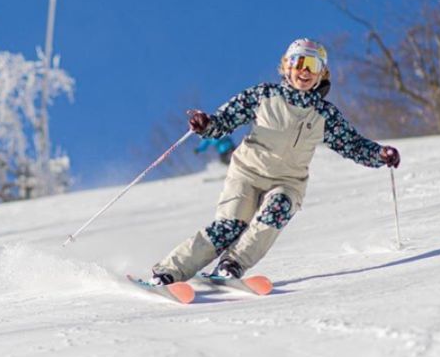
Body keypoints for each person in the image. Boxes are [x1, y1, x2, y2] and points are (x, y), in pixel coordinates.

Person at [150, 38, 400, 285]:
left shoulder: (325, 115)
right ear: (286, 66)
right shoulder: (264, 95)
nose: (305, 70)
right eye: (299, 62)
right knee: (229, 227)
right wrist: (207, 124)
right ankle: (168, 272)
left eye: (313, 66)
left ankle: (232, 265)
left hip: (288, 181)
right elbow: (225, 120)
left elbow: (352, 144)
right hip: (247, 174)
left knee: (278, 206)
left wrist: (379, 154)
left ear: (322, 73)